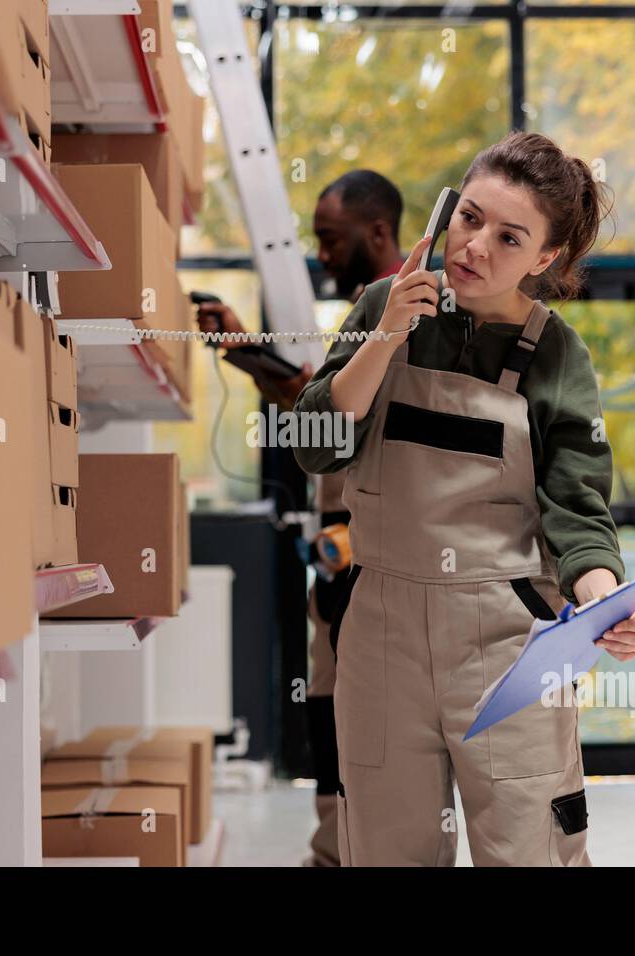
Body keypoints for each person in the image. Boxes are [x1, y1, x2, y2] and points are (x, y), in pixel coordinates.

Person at [291, 131, 635, 867]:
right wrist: (385, 336)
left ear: (544, 259)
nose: (475, 246)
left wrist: (606, 599)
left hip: (507, 646)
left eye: (509, 236)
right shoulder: (380, 305)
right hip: (380, 632)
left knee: (529, 848)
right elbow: (315, 441)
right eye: (469, 217)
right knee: (386, 847)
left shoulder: (556, 352)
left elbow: (576, 500)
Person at [194, 170, 406, 867]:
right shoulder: (361, 315)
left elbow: (337, 417)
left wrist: (254, 357)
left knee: (360, 724)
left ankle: (351, 854)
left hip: (378, 559)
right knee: (328, 711)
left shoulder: (405, 317)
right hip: (342, 557)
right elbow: (317, 404)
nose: (321, 255)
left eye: (331, 240)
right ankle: (332, 853)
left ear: (378, 233)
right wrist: (250, 352)